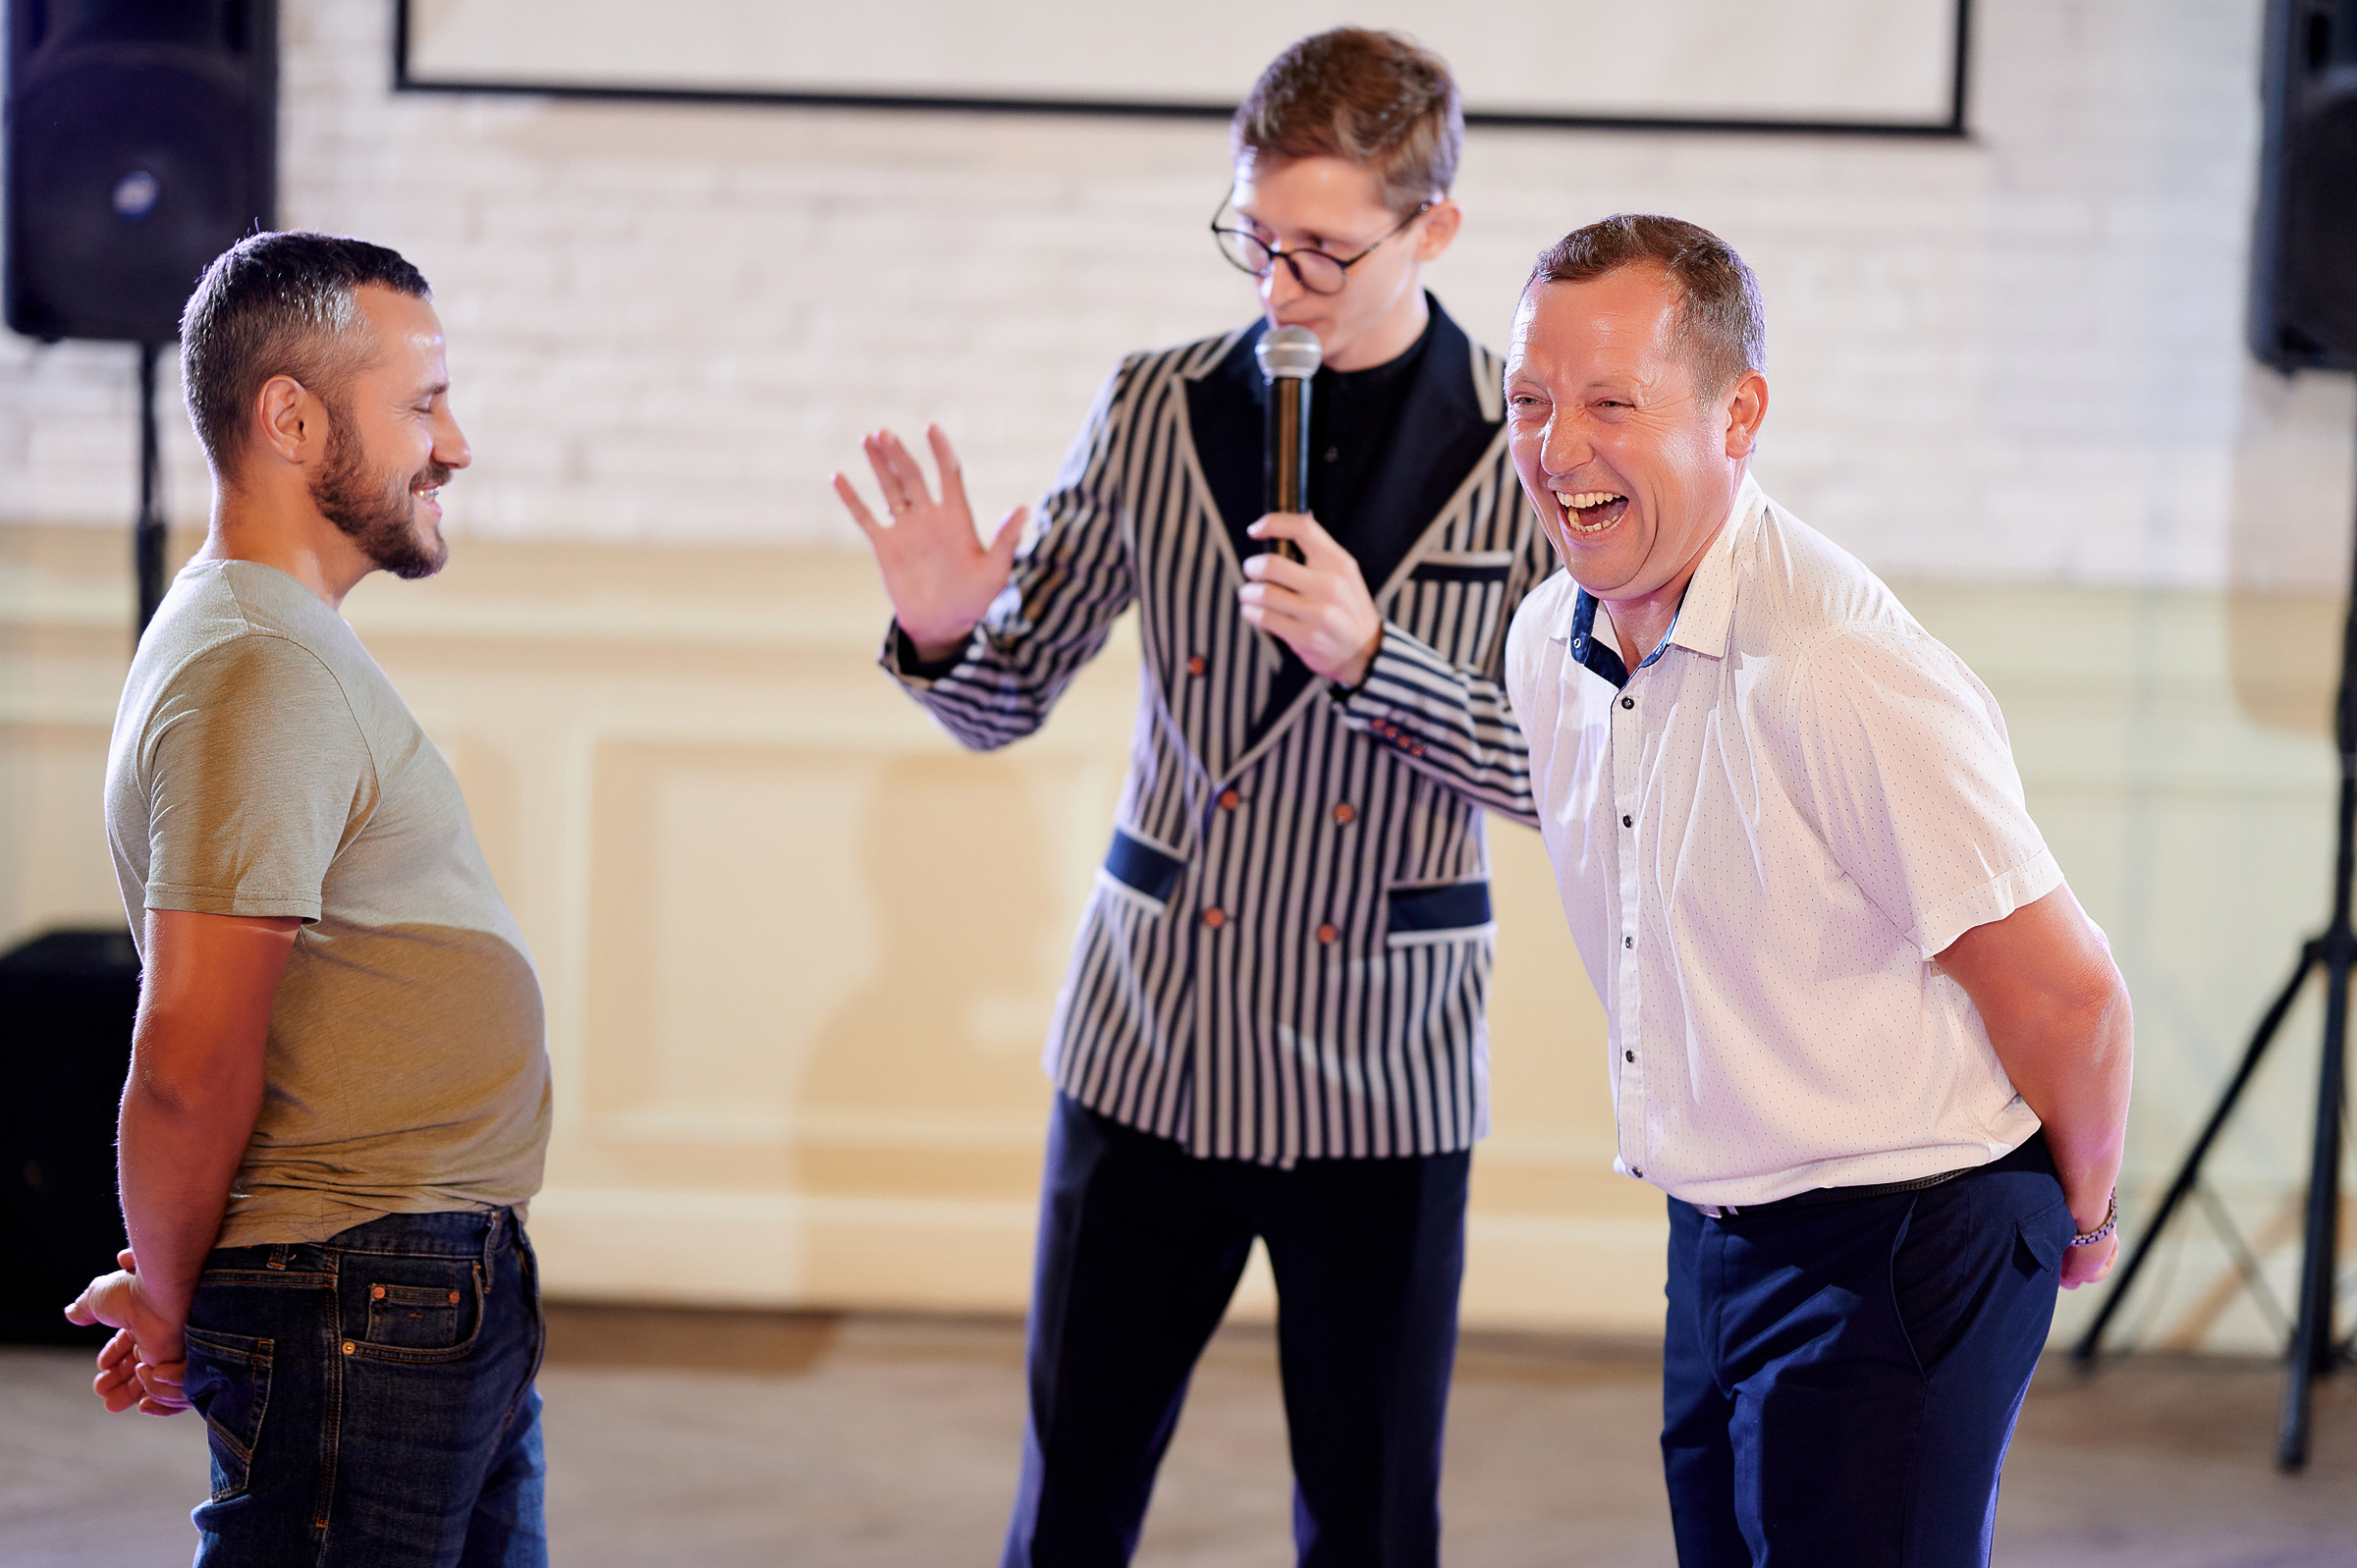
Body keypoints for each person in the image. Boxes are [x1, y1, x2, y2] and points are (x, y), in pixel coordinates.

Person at [833, 28, 1552, 1567]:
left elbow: (1571, 775)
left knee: (1369, 1516)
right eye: (1256, 238)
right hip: (1156, 1031)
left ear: (1435, 231)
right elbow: (1005, 697)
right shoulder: (1156, 407)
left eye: (1325, 253)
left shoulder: (1524, 447)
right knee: (1076, 1495)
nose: (1278, 289)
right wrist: (952, 624)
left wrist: (1374, 658)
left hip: (1388, 1056)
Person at [1500, 213, 2134, 1566]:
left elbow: (2072, 998)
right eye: (1532, 402)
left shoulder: (1837, 667)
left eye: (1613, 403)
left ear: (1740, 416)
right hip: (1717, 1228)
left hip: (1911, 1232)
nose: (1559, 452)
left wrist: (2083, 1224)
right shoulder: (1546, 644)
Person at [65, 231, 552, 1568]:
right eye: (422, 402)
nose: (454, 445)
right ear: (290, 415)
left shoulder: (278, 646)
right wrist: (169, 1302)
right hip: (362, 1289)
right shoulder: (256, 667)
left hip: (418, 1277)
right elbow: (188, 1056)